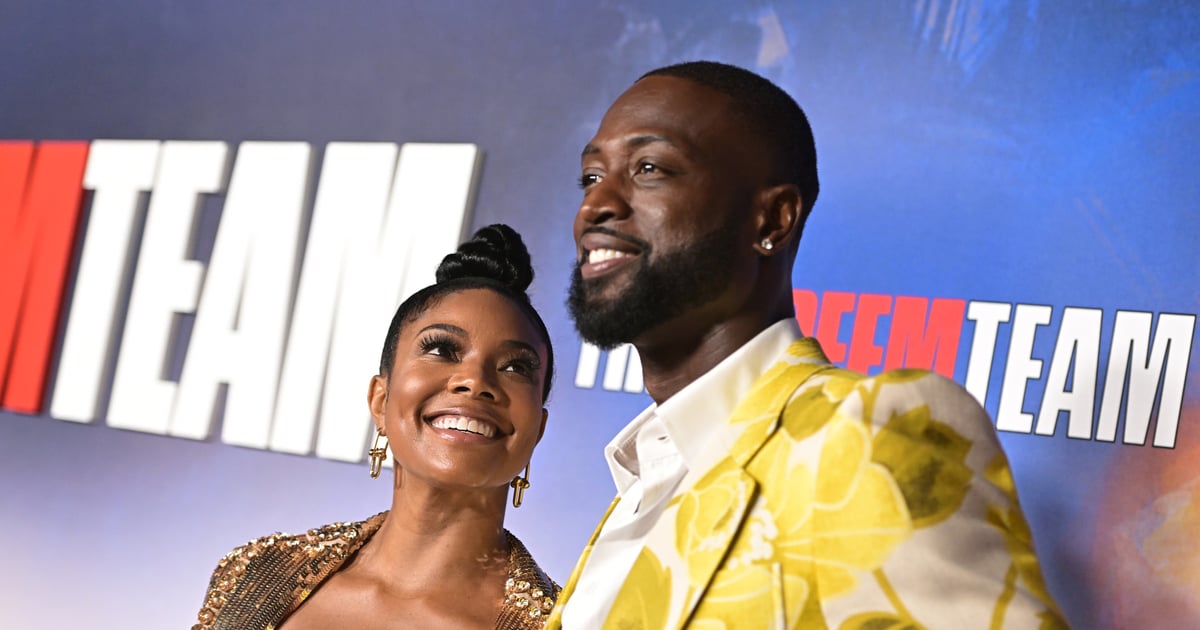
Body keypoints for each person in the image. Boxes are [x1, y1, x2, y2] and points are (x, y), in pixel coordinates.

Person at [547, 61, 1066, 629]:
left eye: (650, 168)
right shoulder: (645, 482)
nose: (595, 206)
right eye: (591, 177)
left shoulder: (865, 430)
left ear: (773, 218)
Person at [193, 224, 560, 630]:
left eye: (516, 367)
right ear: (380, 401)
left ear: (537, 430)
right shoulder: (257, 572)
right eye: (441, 349)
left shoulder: (566, 625)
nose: (474, 381)